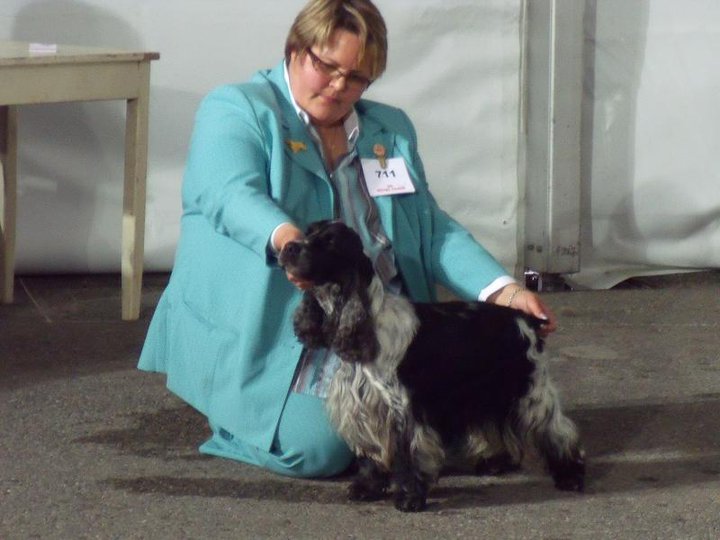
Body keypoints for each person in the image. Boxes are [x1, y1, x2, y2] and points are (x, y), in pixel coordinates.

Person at [138, 0, 557, 479]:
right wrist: (289, 243)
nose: (339, 87)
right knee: (323, 451)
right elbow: (229, 194)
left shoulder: (390, 129)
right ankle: (239, 420)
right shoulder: (237, 108)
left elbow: (431, 227)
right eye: (327, 67)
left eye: (356, 78)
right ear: (295, 50)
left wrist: (503, 290)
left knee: (462, 426)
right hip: (292, 327)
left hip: (387, 321)